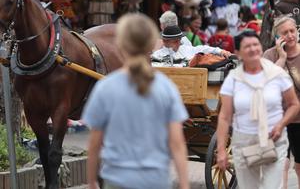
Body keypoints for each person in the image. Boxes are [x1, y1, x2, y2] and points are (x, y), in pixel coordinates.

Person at [82, 13, 190, 189]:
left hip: (117, 179)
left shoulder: (105, 87)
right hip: (156, 179)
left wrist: (92, 181)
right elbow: (177, 143)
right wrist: (184, 184)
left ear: (121, 45)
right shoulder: (166, 88)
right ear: (150, 45)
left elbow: (94, 143)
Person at [217, 30, 299, 189]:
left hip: (274, 139)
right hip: (243, 142)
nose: (253, 49)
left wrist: (281, 124)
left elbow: (294, 104)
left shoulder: (277, 74)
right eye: (247, 46)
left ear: (261, 48)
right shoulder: (233, 79)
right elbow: (224, 117)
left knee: (272, 186)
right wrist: (221, 150)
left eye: (255, 44)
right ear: (238, 53)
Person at [263, 15, 300, 188]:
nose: (290, 35)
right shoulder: (269, 55)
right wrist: (282, 58)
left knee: (299, 164)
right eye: (285, 33)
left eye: (292, 31)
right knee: (280, 162)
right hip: (278, 119)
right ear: (277, 37)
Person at [151, 25, 231, 63]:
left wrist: (221, 51)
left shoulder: (186, 49)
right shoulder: (156, 56)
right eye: (175, 41)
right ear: (165, 42)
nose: (178, 43)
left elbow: (202, 48)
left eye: (179, 40)